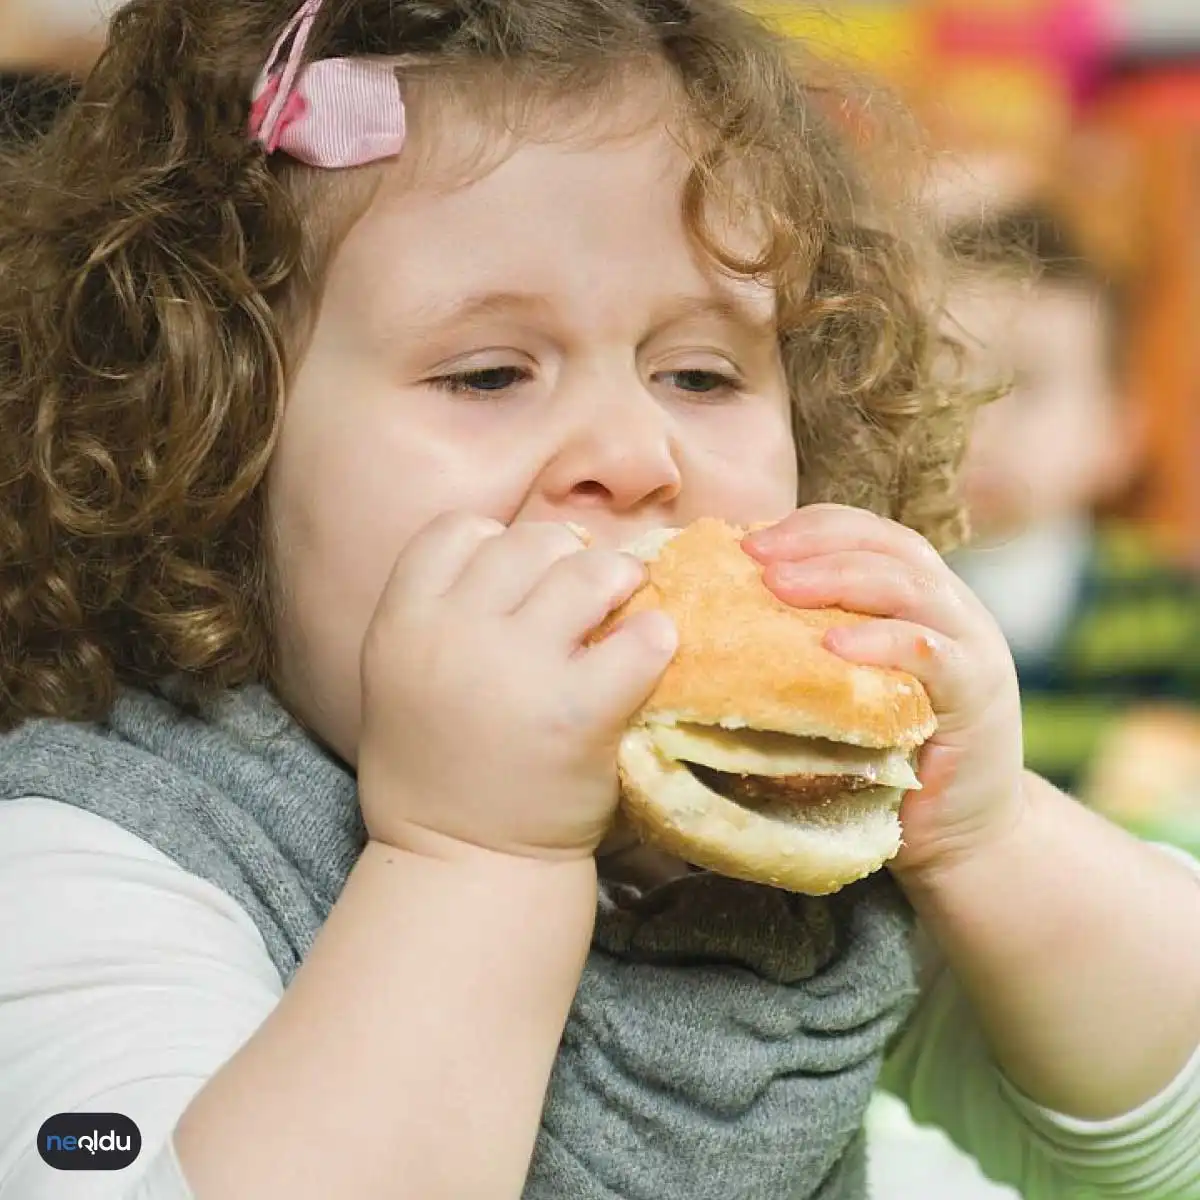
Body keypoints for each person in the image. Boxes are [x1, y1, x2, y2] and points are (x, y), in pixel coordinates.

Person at [0, 2, 1195, 1198]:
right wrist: (476, 859)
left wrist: (991, 835)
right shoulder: (92, 863)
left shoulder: (767, 827)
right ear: (212, 449)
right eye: (488, 372)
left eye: (699, 372)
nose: (634, 450)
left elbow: (1156, 1140)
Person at [949, 202, 1200, 798]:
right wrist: (1108, 747)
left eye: (1023, 384)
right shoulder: (885, 587)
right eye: (942, 378)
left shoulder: (1173, 604)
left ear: (1119, 430)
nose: (978, 424)